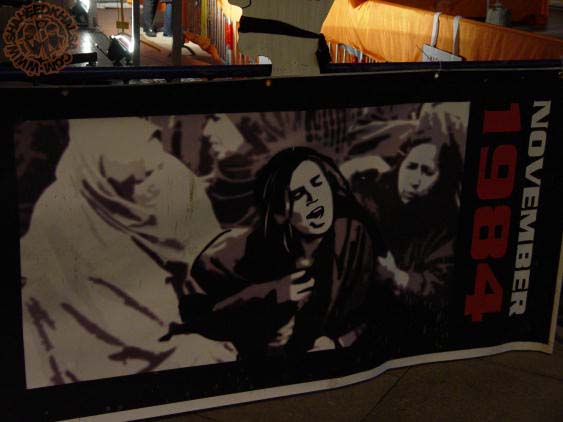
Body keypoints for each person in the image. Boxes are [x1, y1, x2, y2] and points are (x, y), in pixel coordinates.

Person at [20, 117, 236, 388]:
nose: (148, 184)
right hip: (106, 351)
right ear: (95, 169)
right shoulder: (61, 211)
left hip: (187, 319)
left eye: (152, 170)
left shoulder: (174, 178)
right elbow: (63, 315)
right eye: (132, 178)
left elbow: (213, 256)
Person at [179, 147, 384, 360]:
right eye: (298, 194)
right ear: (279, 212)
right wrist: (272, 295)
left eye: (317, 184)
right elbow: (198, 314)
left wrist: (338, 343)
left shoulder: (352, 234)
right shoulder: (242, 250)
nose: (313, 199)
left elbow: (376, 310)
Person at [341, 111, 464, 354]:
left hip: (401, 323)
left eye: (427, 172)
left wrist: (397, 278)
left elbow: (439, 287)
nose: (414, 180)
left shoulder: (445, 225)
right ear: (401, 162)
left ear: (441, 177)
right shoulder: (371, 192)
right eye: (411, 167)